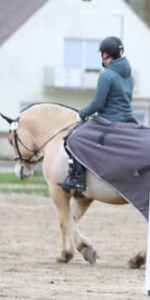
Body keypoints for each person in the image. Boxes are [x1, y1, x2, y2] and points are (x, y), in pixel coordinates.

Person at [59, 36, 136, 195]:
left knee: (73, 138)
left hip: (109, 121)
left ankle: (78, 181)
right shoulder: (129, 75)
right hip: (129, 120)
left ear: (106, 54)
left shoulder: (107, 75)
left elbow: (98, 104)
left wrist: (81, 114)